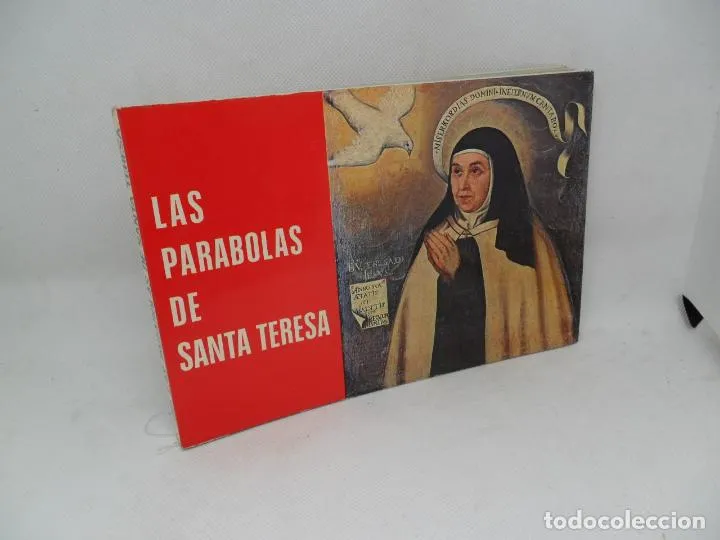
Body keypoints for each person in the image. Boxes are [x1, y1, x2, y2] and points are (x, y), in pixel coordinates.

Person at [384, 127, 574, 386]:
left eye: (475, 171)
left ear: (498, 176)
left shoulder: (527, 242)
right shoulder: (438, 237)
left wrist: (460, 275)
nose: (463, 186)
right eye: (457, 171)